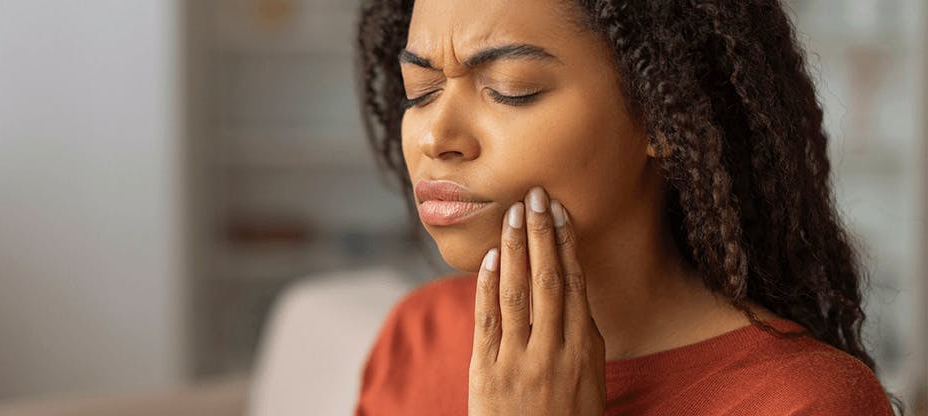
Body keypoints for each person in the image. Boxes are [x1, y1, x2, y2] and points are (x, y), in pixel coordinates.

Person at [353, 0, 902, 414]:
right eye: (420, 90)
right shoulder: (417, 337)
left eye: (510, 89)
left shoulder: (803, 402)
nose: (436, 137)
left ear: (661, 113)